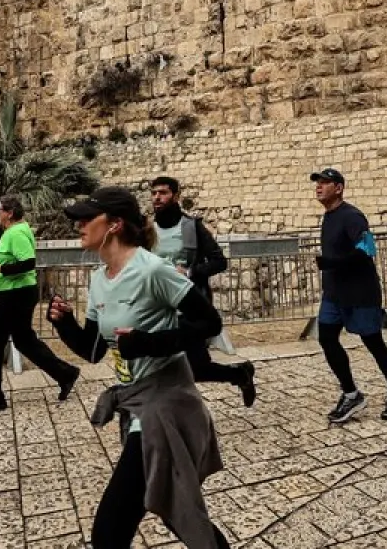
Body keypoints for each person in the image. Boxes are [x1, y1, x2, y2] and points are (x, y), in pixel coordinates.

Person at [46, 185, 231, 549]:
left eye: (87, 219)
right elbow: (95, 350)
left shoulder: (152, 270)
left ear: (114, 224)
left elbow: (210, 323)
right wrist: (65, 325)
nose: (79, 226)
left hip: (166, 404)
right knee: (172, 507)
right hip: (134, 406)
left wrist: (149, 342)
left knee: (110, 532)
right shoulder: (100, 279)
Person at [310, 167, 387, 423]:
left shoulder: (352, 216)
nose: (319, 186)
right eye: (317, 183)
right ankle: (351, 393)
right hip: (334, 294)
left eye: (325, 182)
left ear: (339, 188)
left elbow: (367, 250)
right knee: (327, 339)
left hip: (360, 292)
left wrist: (332, 262)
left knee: (373, 343)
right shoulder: (328, 217)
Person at [0, 194, 81, 414]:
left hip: (14, 296)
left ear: (9, 213)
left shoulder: (17, 232)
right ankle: (65, 374)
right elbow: (8, 263)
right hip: (16, 293)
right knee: (24, 340)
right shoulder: (15, 232)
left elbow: (27, 263)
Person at [149, 177, 256, 407]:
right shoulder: (147, 229)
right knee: (158, 366)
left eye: (163, 193)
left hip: (189, 308)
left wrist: (189, 272)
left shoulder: (191, 227)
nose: (157, 197)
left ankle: (239, 374)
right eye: (154, 193)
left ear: (176, 196)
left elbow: (219, 261)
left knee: (197, 368)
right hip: (158, 307)